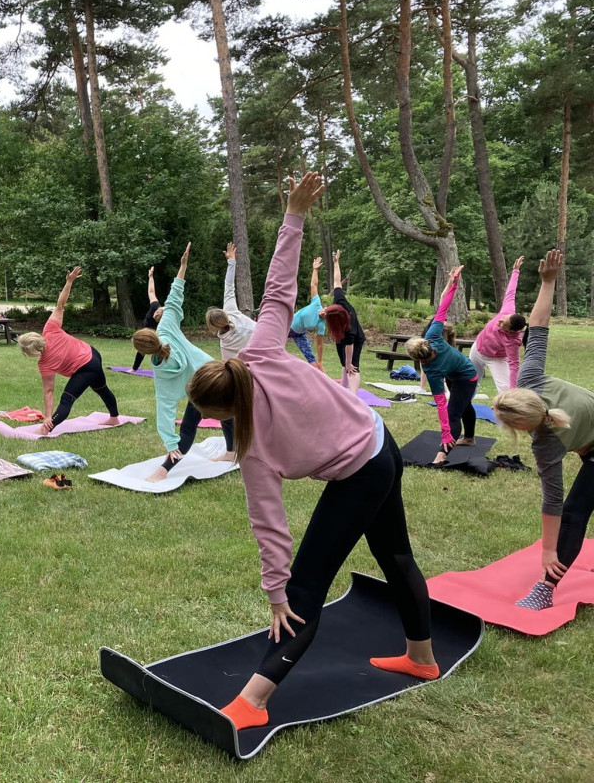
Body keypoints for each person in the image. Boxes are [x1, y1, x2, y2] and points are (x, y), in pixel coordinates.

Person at [186, 172, 437, 732]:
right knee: (394, 555)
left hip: (363, 468)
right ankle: (421, 658)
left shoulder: (252, 448)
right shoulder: (261, 351)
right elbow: (277, 290)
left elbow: (269, 525)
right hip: (379, 440)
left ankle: (252, 702)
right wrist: (292, 216)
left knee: (306, 587)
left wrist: (277, 593)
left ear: (223, 411)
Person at [492, 250, 594, 611]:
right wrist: (548, 281)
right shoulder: (531, 377)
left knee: (575, 511)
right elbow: (538, 326)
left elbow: (553, 503)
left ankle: (546, 589)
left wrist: (549, 550)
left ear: (520, 428)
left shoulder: (546, 442)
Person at [131, 244, 218, 482]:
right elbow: (175, 294)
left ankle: (163, 470)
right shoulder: (167, 326)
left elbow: (165, 411)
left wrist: (170, 443)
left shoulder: (161, 376)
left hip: (202, 386)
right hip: (213, 370)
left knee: (188, 428)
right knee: (231, 413)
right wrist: (183, 266)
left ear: (144, 352)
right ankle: (233, 449)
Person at [18, 266, 121, 433]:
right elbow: (60, 305)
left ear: (32, 353)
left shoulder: (45, 364)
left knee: (67, 400)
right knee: (101, 388)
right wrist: (69, 281)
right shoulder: (50, 329)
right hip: (93, 354)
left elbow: (49, 391)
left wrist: (48, 416)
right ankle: (114, 418)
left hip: (85, 368)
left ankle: (46, 430)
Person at [405, 267, 479, 463]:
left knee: (453, 413)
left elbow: (442, 406)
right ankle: (469, 438)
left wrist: (446, 433)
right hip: (456, 372)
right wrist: (453, 284)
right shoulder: (433, 336)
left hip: (466, 376)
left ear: (418, 359)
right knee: (463, 404)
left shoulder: (431, 370)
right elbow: (443, 307)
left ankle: (442, 455)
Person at [470, 256, 527, 393]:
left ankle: (509, 403)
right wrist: (515, 271)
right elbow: (511, 292)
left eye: (503, 325)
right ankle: (464, 405)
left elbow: (514, 365)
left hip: (496, 358)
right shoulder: (507, 310)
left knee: (506, 389)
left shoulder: (513, 341)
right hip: (477, 349)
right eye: (503, 319)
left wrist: (513, 389)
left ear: (510, 331)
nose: (499, 321)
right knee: (470, 382)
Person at [320, 250, 366, 392]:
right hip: (342, 338)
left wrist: (348, 363)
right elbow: (337, 282)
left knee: (352, 367)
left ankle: (353, 397)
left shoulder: (348, 330)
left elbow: (349, 347)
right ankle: (343, 389)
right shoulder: (340, 301)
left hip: (356, 340)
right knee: (344, 363)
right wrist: (336, 262)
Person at [206, 242, 256, 361]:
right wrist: (231, 261)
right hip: (269, 335)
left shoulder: (225, 345)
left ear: (213, 327)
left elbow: (229, 365)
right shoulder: (230, 311)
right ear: (224, 314)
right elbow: (229, 285)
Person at [289, 256, 327, 370]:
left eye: (327, 314)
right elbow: (314, 285)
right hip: (286, 326)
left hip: (299, 334)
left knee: (312, 359)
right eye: (326, 309)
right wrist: (315, 269)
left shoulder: (321, 325)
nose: (324, 312)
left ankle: (321, 377)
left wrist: (320, 361)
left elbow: (319, 344)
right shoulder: (316, 303)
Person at [131, 265, 166, 372]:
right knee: (141, 349)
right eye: (156, 313)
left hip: (155, 333)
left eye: (158, 316)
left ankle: (161, 368)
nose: (155, 315)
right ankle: (134, 369)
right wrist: (150, 277)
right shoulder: (155, 305)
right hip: (146, 328)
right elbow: (151, 292)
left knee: (155, 349)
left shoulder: (164, 322)